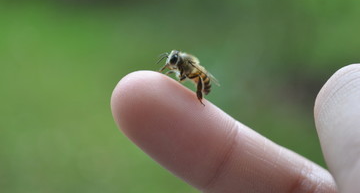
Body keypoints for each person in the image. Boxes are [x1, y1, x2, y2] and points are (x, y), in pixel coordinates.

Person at [111, 64, 360, 192]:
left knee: (196, 81)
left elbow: (189, 73)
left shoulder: (189, 67)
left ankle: (199, 97)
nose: (171, 64)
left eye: (174, 62)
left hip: (200, 83)